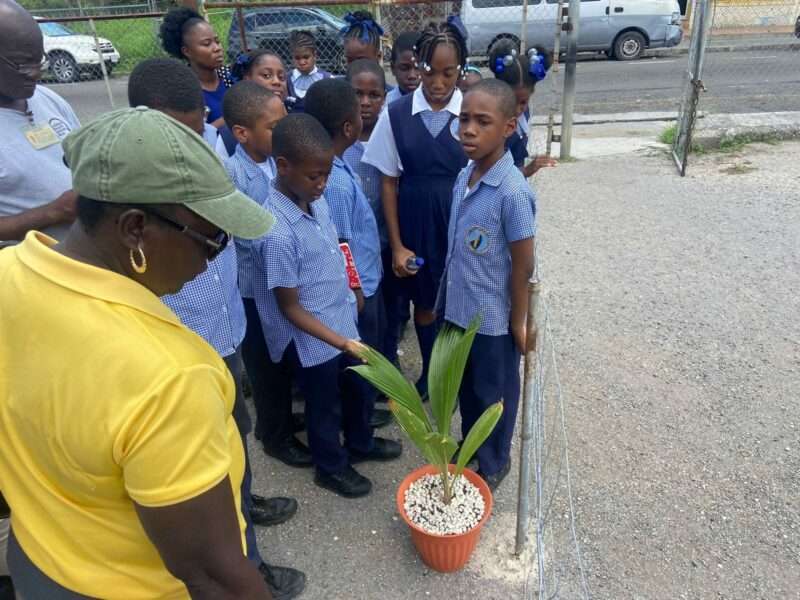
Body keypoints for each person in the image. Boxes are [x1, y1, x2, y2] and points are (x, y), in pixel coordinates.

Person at [0, 107, 276, 598]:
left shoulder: (9, 273)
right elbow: (213, 576)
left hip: (37, 565)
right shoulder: (171, 375)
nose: (213, 260)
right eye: (212, 239)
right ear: (134, 229)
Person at [128, 61, 305, 599]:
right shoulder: (136, 189)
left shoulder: (208, 149)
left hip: (225, 329)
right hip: (184, 344)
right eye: (179, 133)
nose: (193, 142)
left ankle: (245, 505)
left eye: (198, 129)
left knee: (235, 434)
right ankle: (246, 563)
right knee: (206, 469)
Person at [255, 113, 402, 498]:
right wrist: (340, 342)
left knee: (356, 388)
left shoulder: (314, 201)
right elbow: (290, 307)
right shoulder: (277, 232)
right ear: (283, 166)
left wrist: (354, 286)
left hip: (342, 318)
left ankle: (360, 442)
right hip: (315, 340)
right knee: (324, 404)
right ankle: (330, 467)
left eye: (326, 175)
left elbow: (338, 246)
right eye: (314, 176)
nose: (322, 184)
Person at [362, 18, 469, 398]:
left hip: (460, 220)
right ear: (418, 66)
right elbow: (388, 181)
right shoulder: (396, 114)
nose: (438, 83)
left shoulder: (472, 110)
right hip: (416, 223)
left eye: (448, 73)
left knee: (458, 303)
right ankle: (431, 375)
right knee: (424, 303)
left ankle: (455, 375)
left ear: (461, 70)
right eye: (429, 71)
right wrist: (397, 244)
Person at [442, 79, 536, 491]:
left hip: (493, 320)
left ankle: (494, 460)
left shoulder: (512, 192)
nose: (468, 130)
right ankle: (472, 445)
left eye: (482, 122)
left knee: (493, 393)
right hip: (459, 309)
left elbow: (523, 264)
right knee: (466, 388)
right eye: (464, 119)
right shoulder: (465, 174)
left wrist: (519, 321)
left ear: (509, 127)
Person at [222, 82, 311, 470]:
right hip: (254, 288)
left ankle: (280, 421)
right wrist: (287, 239)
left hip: (283, 280)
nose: (284, 132)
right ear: (242, 133)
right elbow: (246, 235)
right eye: (274, 127)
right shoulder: (233, 175)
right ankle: (275, 437)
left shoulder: (277, 161)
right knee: (265, 364)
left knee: (284, 356)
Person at [304, 77, 392, 430]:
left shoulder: (338, 166)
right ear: (348, 127)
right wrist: (356, 292)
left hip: (367, 282)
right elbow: (340, 247)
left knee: (368, 358)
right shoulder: (336, 182)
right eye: (357, 111)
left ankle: (364, 415)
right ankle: (360, 433)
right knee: (360, 362)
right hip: (358, 292)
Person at [0, 0, 79, 243]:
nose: (35, 73)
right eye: (23, 64)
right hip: (21, 264)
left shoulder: (47, 98)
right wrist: (53, 213)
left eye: (39, 60)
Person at [488, 40, 557, 178]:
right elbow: (491, 174)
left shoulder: (523, 115)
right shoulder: (492, 124)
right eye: (512, 101)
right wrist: (527, 170)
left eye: (523, 102)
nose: (518, 109)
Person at [160, 7, 233, 127]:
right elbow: (193, 134)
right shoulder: (184, 92)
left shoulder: (231, 76)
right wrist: (235, 117)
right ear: (187, 51)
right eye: (207, 44)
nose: (217, 48)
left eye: (217, 41)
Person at [218, 49, 291, 157]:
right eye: (266, 75)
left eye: (281, 77)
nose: (277, 81)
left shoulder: (294, 121)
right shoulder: (228, 138)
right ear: (247, 80)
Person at [288, 30, 331, 104]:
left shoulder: (327, 79)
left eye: (306, 57)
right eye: (297, 58)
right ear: (292, 57)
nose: (302, 62)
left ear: (315, 55)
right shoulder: (286, 80)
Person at [386, 31, 421, 105]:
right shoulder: (385, 105)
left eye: (418, 68)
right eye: (404, 68)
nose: (412, 76)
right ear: (393, 68)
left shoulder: (439, 104)